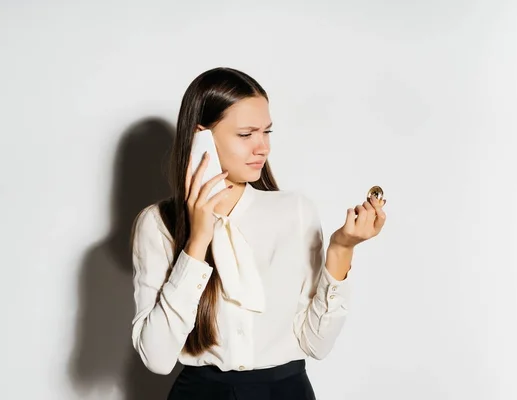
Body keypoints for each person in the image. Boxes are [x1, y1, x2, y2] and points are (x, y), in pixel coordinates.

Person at [129, 67, 387, 400]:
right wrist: (197, 242)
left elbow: (317, 344)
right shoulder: (157, 223)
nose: (262, 148)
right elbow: (157, 358)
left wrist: (341, 249)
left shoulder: (294, 211)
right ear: (200, 136)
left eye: (267, 132)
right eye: (246, 134)